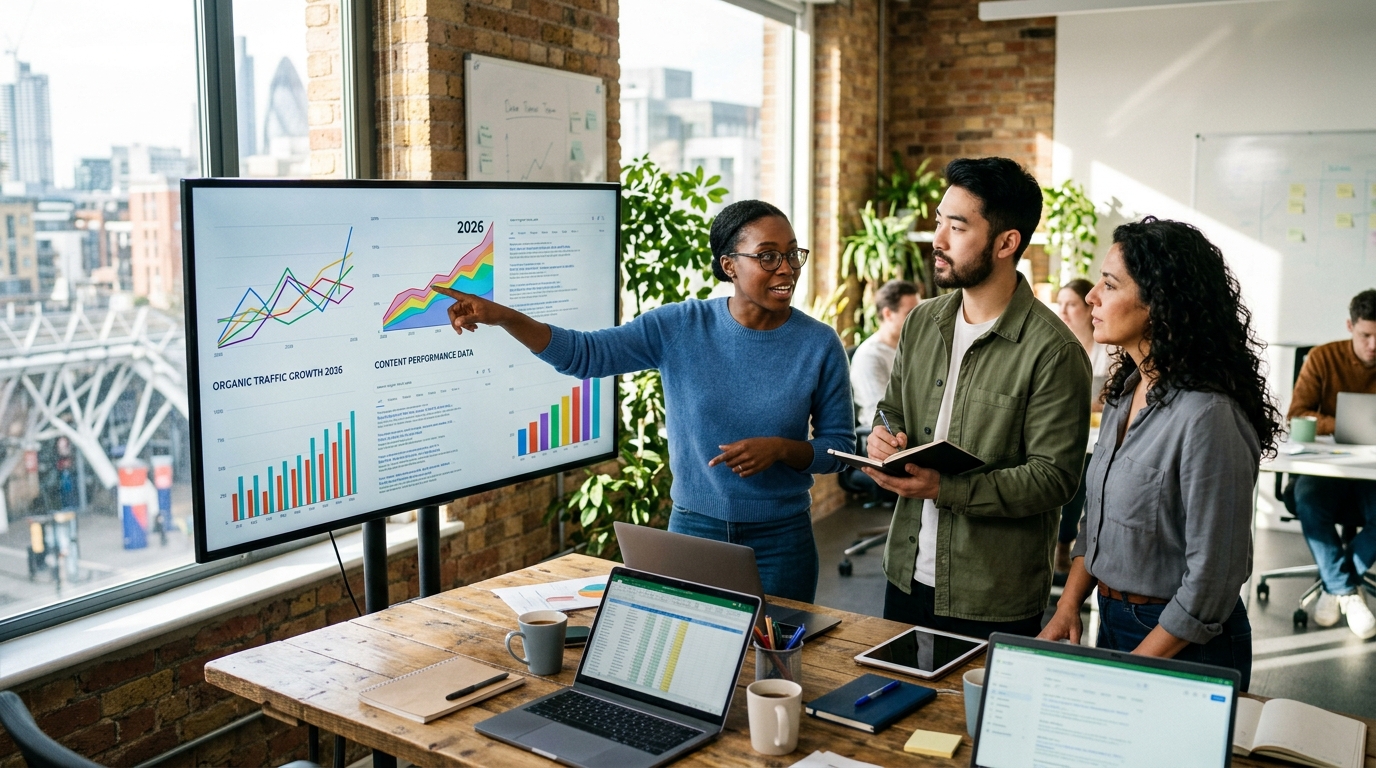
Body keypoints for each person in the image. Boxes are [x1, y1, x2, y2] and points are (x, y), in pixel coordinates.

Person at [433, 200, 855, 603]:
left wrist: (783, 450)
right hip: (693, 533)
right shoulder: (680, 326)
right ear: (729, 265)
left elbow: (840, 450)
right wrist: (507, 316)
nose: (786, 268)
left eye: (791, 254)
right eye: (767, 256)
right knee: (688, 659)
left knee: (780, 661)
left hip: (782, 539)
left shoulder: (818, 344)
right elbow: (585, 355)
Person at [1040, 216, 1280, 690]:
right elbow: (1097, 522)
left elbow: (1212, 582)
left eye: (1108, 284)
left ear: (1159, 303)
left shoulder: (1208, 416)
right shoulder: (1123, 393)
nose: (1092, 296)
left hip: (1183, 641)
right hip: (1111, 619)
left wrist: (1133, 666)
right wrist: (1068, 606)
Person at [865, 157, 1092, 639]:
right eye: (938, 222)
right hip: (904, 572)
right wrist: (884, 435)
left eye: (957, 226)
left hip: (991, 592)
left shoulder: (1054, 351)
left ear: (1007, 242)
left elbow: (1054, 478)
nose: (938, 240)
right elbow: (893, 406)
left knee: (976, 715)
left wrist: (945, 490)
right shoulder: (922, 322)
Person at [1286, 288, 1376, 638]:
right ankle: (1346, 589)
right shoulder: (1323, 357)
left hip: (1371, 474)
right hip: (1327, 467)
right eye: (1366, 335)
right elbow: (1297, 415)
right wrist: (1342, 426)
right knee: (1307, 499)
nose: (1373, 345)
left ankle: (1335, 585)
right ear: (1350, 326)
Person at [1053, 278, 1116, 574]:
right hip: (1068, 433)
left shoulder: (1109, 348)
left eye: (1071, 304)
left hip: (1101, 435)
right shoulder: (1057, 347)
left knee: (1084, 474)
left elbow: (1112, 399)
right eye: (1060, 303)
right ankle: (1061, 545)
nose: (1063, 310)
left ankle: (1069, 548)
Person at [851, 280, 920, 428]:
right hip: (886, 436)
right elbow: (879, 413)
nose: (918, 319)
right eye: (910, 313)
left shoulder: (915, 346)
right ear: (888, 314)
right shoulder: (869, 356)